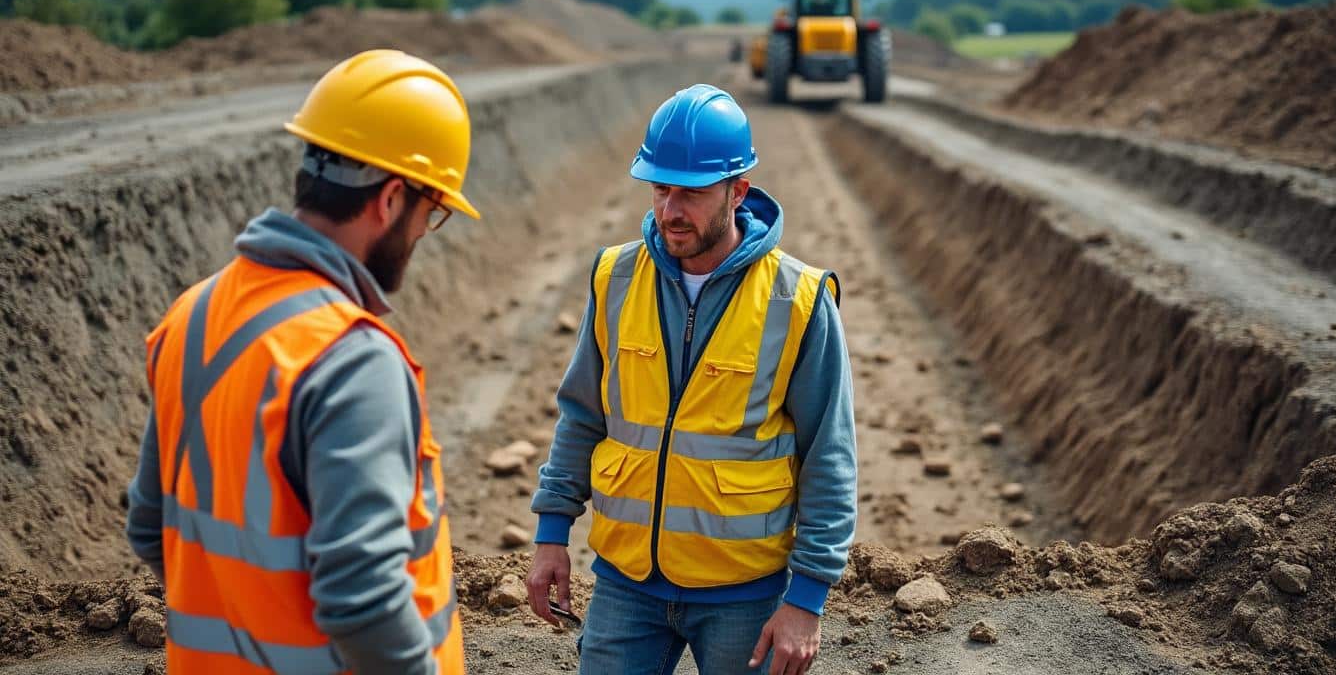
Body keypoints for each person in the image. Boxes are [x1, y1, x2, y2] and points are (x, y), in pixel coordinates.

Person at [125, 49, 478, 674]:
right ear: (392, 199)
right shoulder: (351, 359)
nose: (425, 232)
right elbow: (362, 598)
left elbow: (152, 527)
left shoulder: (192, 316)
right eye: (433, 213)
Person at [526, 84, 857, 674]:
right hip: (627, 585)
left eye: (693, 192)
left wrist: (806, 599)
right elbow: (582, 415)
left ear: (738, 191)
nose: (671, 209)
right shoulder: (615, 277)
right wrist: (553, 530)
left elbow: (828, 455)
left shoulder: (798, 300)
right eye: (660, 188)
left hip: (745, 594)